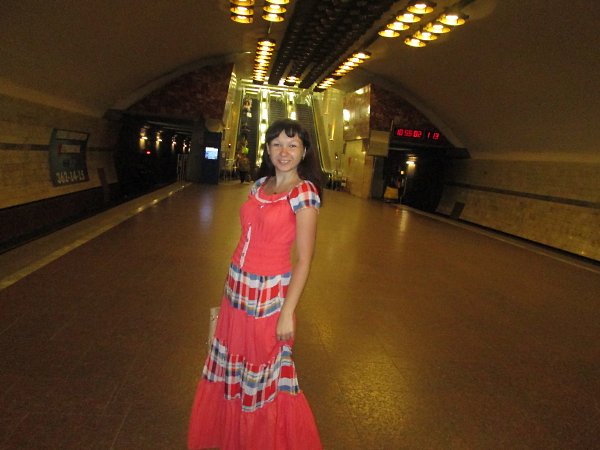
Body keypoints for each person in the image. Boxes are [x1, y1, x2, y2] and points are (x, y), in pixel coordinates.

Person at [188, 119, 323, 450]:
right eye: (277, 144)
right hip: (237, 289)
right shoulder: (259, 186)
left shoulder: (304, 193)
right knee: (233, 367)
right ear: (267, 149)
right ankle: (232, 437)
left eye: (292, 145)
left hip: (269, 296)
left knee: (263, 372)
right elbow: (243, 240)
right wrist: (226, 292)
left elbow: (305, 259)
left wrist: (287, 312)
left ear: (304, 151)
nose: (284, 152)